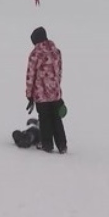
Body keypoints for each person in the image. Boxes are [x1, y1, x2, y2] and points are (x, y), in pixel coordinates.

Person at [25, 26, 67, 154]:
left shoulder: (35, 54)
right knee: (56, 118)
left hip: (41, 92)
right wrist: (58, 88)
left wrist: (29, 95)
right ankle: (62, 145)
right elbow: (59, 72)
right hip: (54, 92)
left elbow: (30, 75)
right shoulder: (56, 51)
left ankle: (47, 143)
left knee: (44, 118)